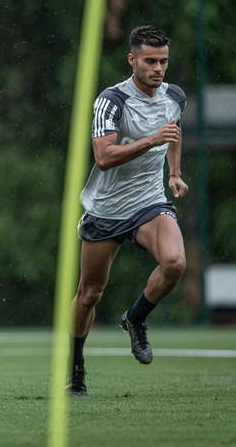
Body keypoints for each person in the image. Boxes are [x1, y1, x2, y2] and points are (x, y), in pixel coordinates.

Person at [69, 25, 188, 395]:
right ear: (131, 60)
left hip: (148, 203)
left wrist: (174, 173)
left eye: (163, 61)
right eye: (150, 61)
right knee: (90, 293)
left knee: (175, 263)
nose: (158, 68)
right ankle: (75, 367)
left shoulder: (174, 96)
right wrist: (150, 139)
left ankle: (135, 318)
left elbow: (173, 133)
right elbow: (103, 157)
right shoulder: (111, 100)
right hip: (106, 209)